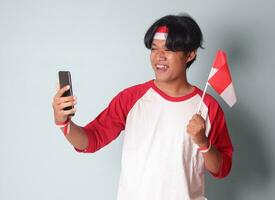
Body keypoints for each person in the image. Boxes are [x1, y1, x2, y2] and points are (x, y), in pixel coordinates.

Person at [52, 14, 233, 200]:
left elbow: (222, 168)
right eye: (154, 49)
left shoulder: (208, 107)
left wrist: (203, 143)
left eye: (169, 49)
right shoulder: (131, 98)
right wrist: (63, 122)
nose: (159, 57)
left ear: (190, 54)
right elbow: (90, 140)